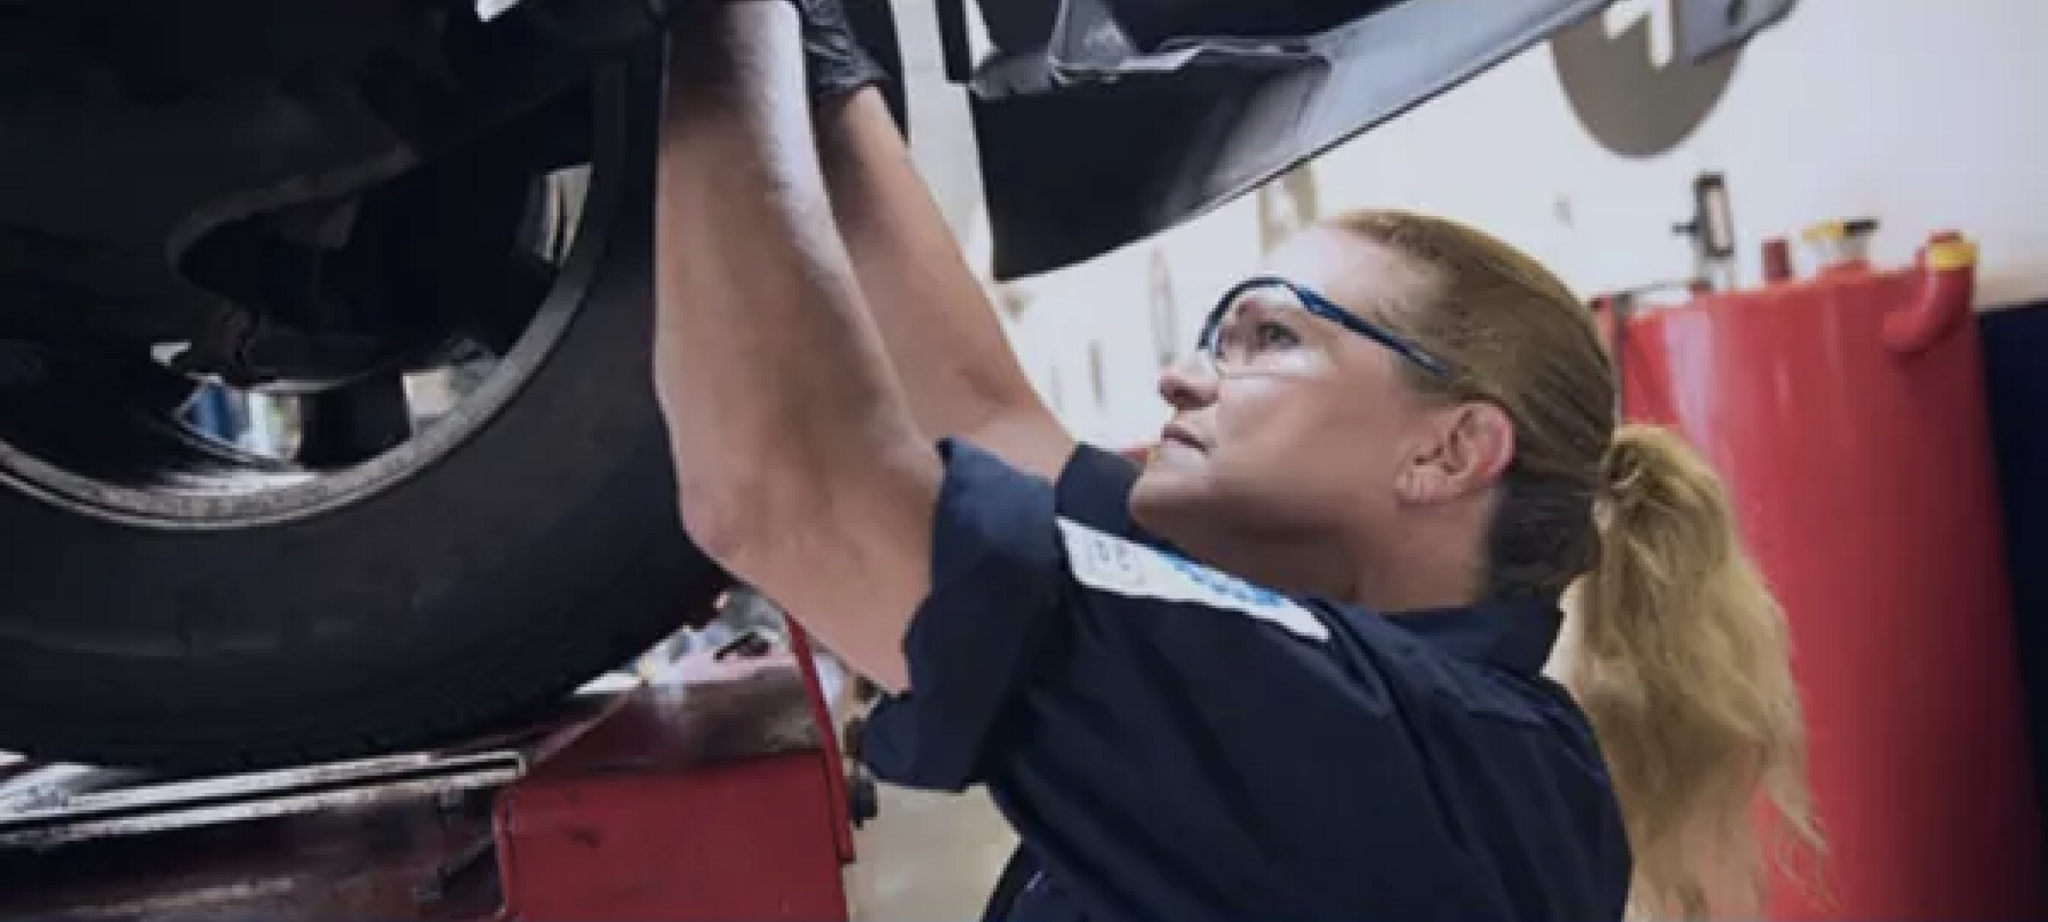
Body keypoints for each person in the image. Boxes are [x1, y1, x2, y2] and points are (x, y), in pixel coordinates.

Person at [648, 2, 1821, 919]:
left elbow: (779, 487)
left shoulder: (1406, 750)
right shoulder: (1293, 629)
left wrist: (715, 25)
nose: (1181, 376)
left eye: (1268, 336)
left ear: (1448, 449)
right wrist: (820, 57)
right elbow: (982, 413)